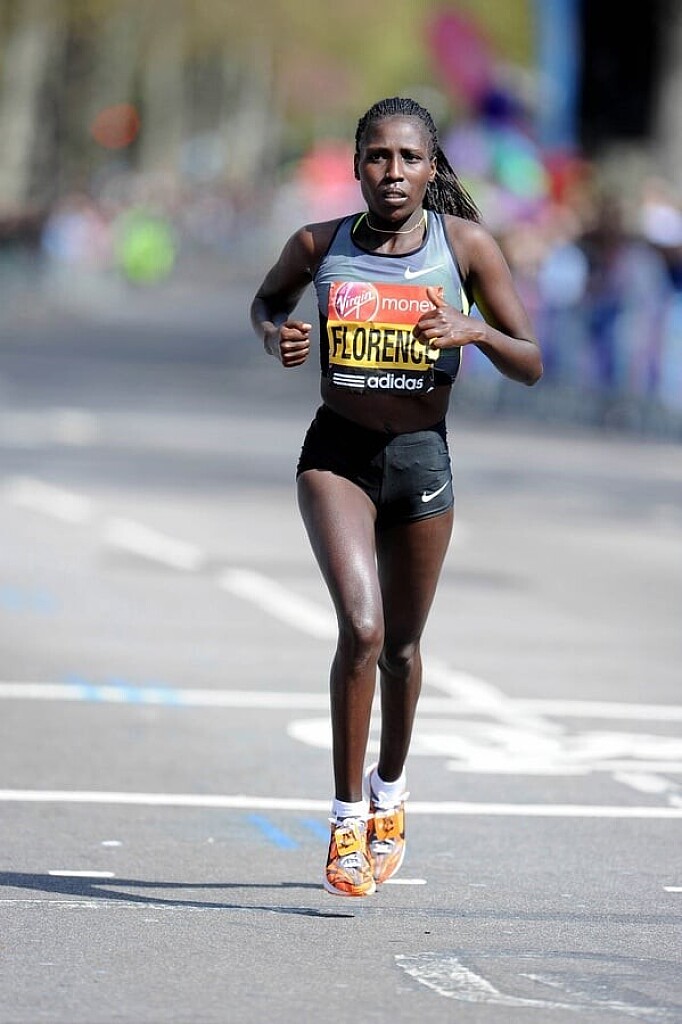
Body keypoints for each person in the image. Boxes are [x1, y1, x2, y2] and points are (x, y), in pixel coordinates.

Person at [250, 96, 542, 897]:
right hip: (336, 458)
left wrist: (476, 332)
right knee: (363, 628)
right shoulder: (319, 244)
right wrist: (278, 336)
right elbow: (268, 302)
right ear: (356, 166)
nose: (392, 171)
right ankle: (346, 824)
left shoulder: (466, 246)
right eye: (377, 156)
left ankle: (390, 793)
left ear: (431, 167)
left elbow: (531, 361)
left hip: (421, 462)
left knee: (404, 650)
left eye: (409, 158)